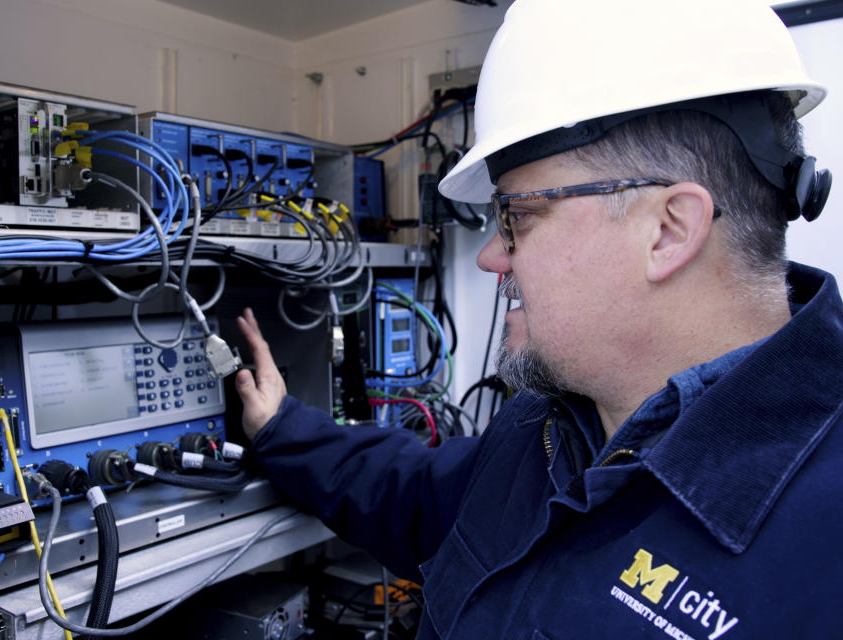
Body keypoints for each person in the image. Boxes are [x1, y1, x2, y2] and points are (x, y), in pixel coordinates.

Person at [234, 0, 840, 637]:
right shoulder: (551, 423)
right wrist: (280, 426)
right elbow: (410, 494)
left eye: (516, 218)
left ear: (667, 230)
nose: (491, 258)